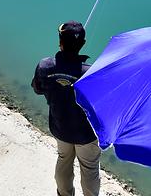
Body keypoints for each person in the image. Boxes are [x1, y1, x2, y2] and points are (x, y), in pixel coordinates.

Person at [32, 21, 100, 196]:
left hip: (60, 126)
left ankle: (64, 194)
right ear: (83, 44)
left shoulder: (45, 66)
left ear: (60, 42)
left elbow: (38, 88)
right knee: (90, 168)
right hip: (86, 132)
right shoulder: (92, 73)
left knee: (64, 160)